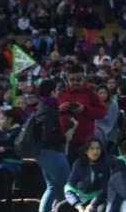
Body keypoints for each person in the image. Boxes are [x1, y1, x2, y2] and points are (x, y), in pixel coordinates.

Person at [36, 79, 74, 212]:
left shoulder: (43, 107)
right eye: (57, 90)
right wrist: (65, 137)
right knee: (68, 185)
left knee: (52, 187)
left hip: (43, 153)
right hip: (51, 153)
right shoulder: (47, 111)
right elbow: (47, 137)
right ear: (52, 92)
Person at [59, 64, 107, 159]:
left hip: (86, 142)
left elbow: (102, 112)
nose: (75, 82)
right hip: (65, 141)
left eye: (78, 80)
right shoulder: (61, 94)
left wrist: (84, 109)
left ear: (84, 79)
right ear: (67, 79)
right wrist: (59, 109)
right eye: (72, 80)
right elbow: (51, 113)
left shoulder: (91, 93)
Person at [62, 138, 111, 212]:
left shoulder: (105, 164)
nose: (95, 151)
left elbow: (105, 188)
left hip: (99, 199)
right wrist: (78, 206)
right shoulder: (79, 164)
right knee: (60, 207)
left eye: (98, 148)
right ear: (86, 151)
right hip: (82, 197)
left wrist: (92, 205)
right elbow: (69, 186)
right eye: (92, 148)